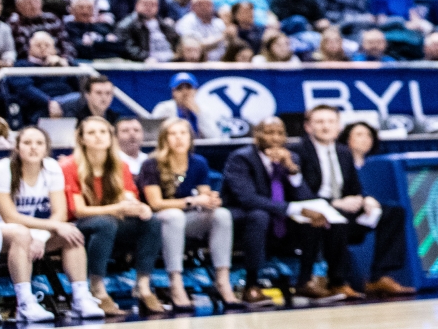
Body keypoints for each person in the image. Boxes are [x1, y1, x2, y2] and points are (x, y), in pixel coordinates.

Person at [0, 127, 102, 321]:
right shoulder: (1, 169)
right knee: (21, 235)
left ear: (46, 148)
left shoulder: (52, 168)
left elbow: (60, 213)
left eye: (39, 143)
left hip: (30, 232)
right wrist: (35, 235)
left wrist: (41, 236)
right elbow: (10, 218)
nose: (33, 148)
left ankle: (81, 298)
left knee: (70, 233)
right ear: (17, 148)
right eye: (27, 143)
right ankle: (25, 303)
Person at [221, 117, 342, 306]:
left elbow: (305, 198)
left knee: (314, 219)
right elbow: (248, 198)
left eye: (280, 133)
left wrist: (292, 171)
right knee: (260, 216)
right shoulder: (242, 158)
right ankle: (251, 286)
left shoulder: (292, 158)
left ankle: (305, 282)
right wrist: (293, 209)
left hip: (278, 216)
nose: (275, 138)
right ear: (257, 136)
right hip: (243, 216)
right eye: (269, 132)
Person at [297, 106, 413, 297]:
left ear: (338, 126)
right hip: (315, 212)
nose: (326, 127)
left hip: (345, 208)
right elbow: (299, 190)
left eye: (330, 122)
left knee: (393, 212)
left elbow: (354, 187)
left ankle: (379, 276)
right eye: (320, 122)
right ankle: (337, 282)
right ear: (308, 127)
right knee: (338, 216)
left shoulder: (343, 152)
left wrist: (365, 199)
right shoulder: (299, 151)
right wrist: (334, 203)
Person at [60, 116, 167, 315]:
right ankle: (97, 287)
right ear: (81, 139)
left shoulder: (120, 165)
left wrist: (139, 207)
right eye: (91, 133)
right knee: (106, 222)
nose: (98, 137)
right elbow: (78, 210)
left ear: (111, 138)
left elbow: (127, 198)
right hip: (77, 226)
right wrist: (117, 208)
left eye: (103, 132)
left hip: (110, 222)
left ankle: (143, 285)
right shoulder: (69, 165)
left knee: (151, 221)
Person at [138, 117, 240, 310]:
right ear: (164, 139)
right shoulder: (151, 164)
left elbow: (203, 194)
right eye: (173, 134)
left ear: (191, 138)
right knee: (174, 215)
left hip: (188, 219)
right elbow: (155, 203)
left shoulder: (198, 162)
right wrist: (192, 201)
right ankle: (175, 282)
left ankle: (222, 281)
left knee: (222, 215)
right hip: (158, 221)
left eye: (183, 133)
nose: (179, 138)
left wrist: (210, 200)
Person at [150, 72, 221, 139]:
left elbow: (215, 138)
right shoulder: (163, 109)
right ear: (173, 93)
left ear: (195, 90)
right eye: (179, 88)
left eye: (188, 87)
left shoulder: (204, 110)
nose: (185, 92)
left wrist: (199, 114)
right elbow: (153, 136)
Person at [114, 0, 178, 63]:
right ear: (137, 5)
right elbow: (128, 49)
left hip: (171, 61)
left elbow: (176, 43)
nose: (149, 7)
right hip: (147, 64)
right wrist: (145, 58)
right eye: (145, 4)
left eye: (153, 4)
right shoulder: (125, 26)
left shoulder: (165, 25)